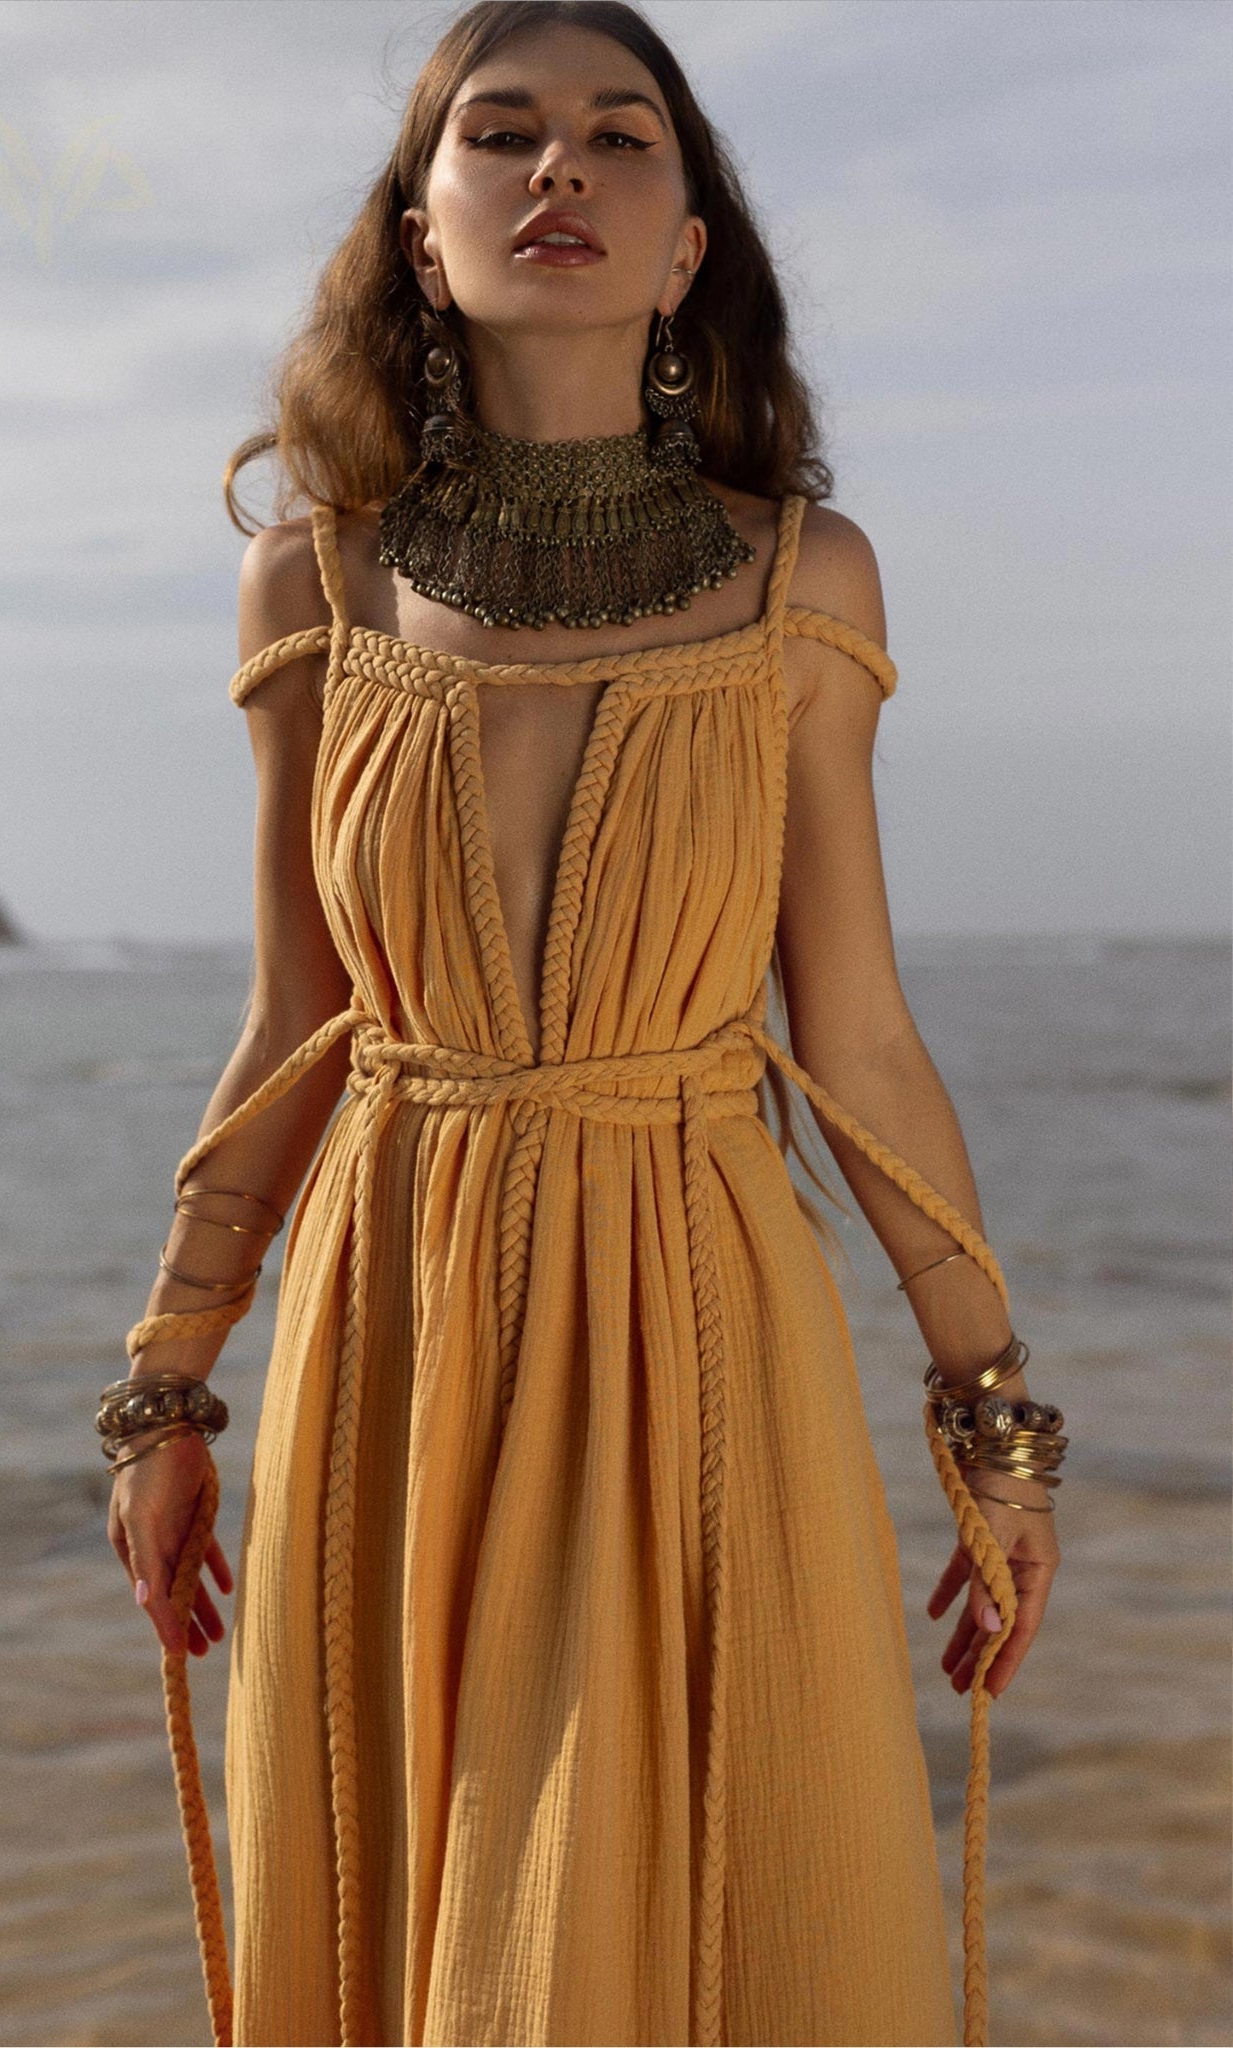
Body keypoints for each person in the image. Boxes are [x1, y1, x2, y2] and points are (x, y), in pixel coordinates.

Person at [101, 5, 1064, 2045]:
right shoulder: (311, 585)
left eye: (622, 138)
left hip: (696, 1303)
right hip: (396, 1314)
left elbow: (859, 1036)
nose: (560, 167)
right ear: (421, 233)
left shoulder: (802, 580)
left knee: (738, 1874)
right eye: (502, 132)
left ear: (687, 246)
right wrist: (166, 1389)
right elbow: (296, 1020)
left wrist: (989, 1415)